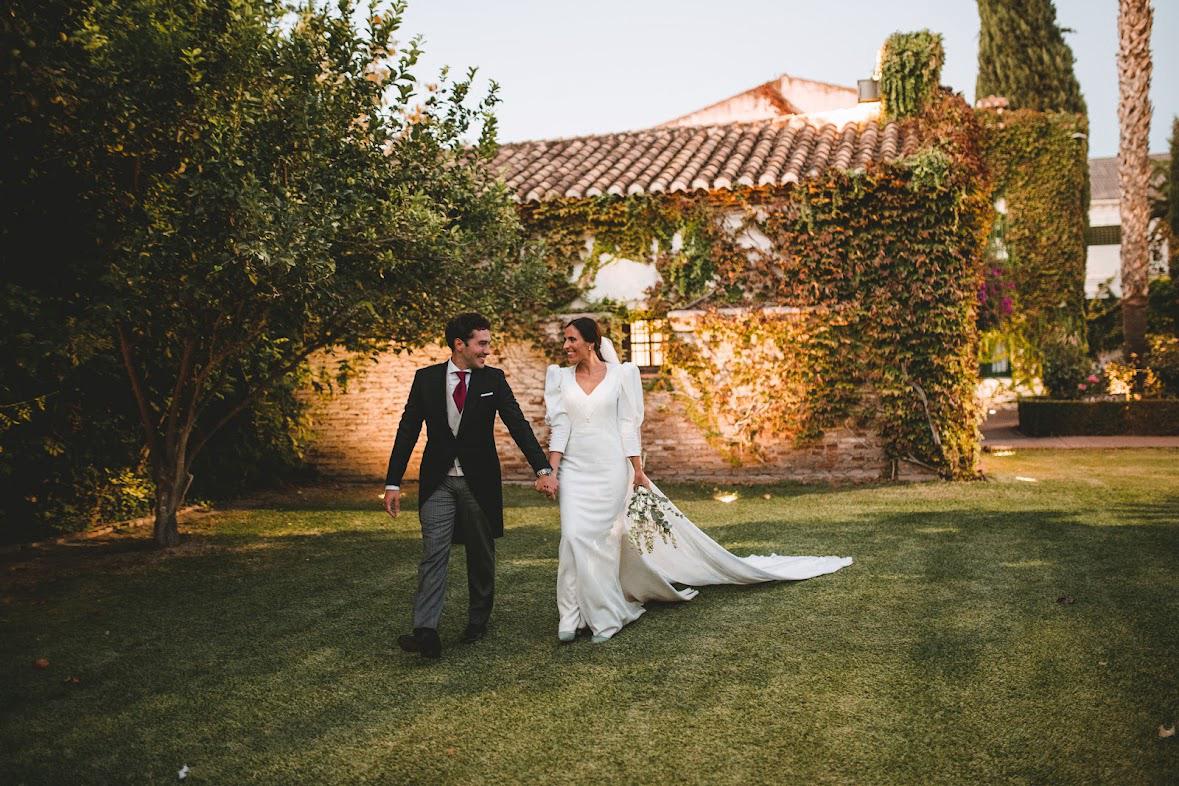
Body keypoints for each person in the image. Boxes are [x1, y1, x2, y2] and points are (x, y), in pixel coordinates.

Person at [543, 317, 852, 643]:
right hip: (575, 471)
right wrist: (551, 470)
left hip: (610, 470)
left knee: (605, 543)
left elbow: (626, 428)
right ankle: (571, 615)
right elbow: (559, 428)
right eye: (564, 340)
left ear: (590, 342)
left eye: (572, 340)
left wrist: (637, 469)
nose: (565, 346)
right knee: (573, 537)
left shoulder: (622, 375)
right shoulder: (559, 378)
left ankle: (603, 615)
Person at [384, 312, 558, 659]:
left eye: (488, 344)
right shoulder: (426, 379)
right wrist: (392, 482)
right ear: (459, 344)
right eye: (481, 344)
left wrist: (542, 469)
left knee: (481, 556)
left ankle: (478, 620)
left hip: (479, 482)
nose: (487, 351)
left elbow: (518, 424)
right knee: (433, 554)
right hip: (438, 482)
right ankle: (426, 631)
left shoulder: (493, 379)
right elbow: (407, 431)